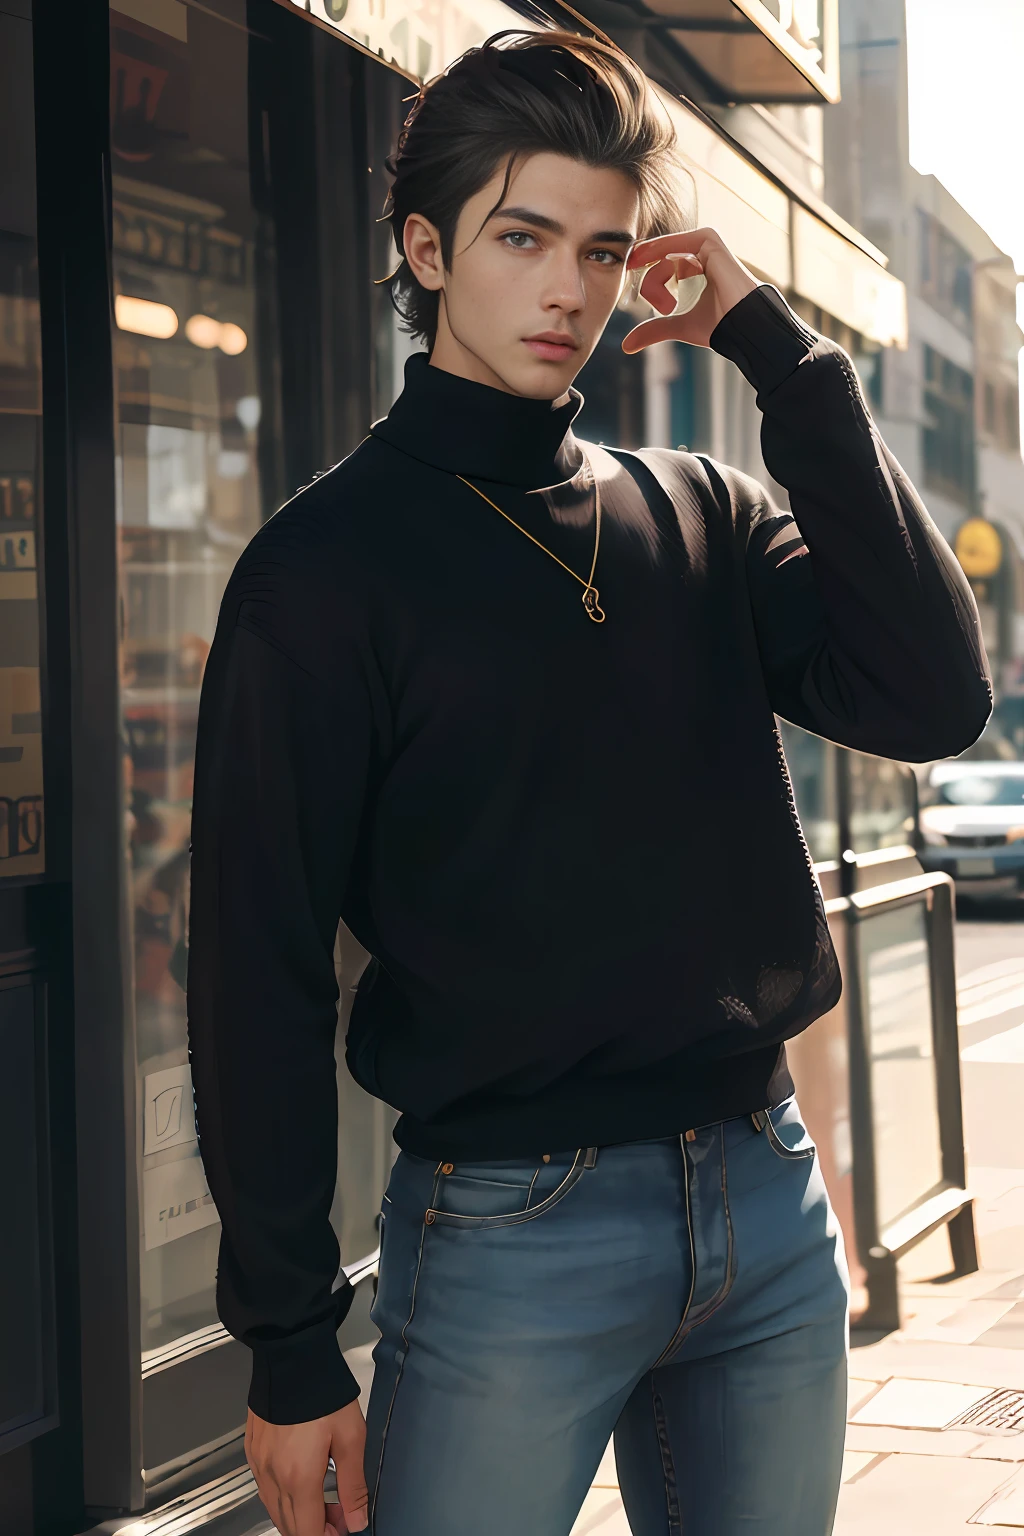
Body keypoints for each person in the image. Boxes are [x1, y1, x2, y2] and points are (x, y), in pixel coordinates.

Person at [186, 30, 991, 1536]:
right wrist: (290, 1348)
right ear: (426, 249)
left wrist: (775, 347)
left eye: (607, 249)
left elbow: (936, 697)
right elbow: (255, 970)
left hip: (763, 1205)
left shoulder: (702, 511)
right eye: (523, 237)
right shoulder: (322, 573)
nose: (570, 289)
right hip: (509, 1230)